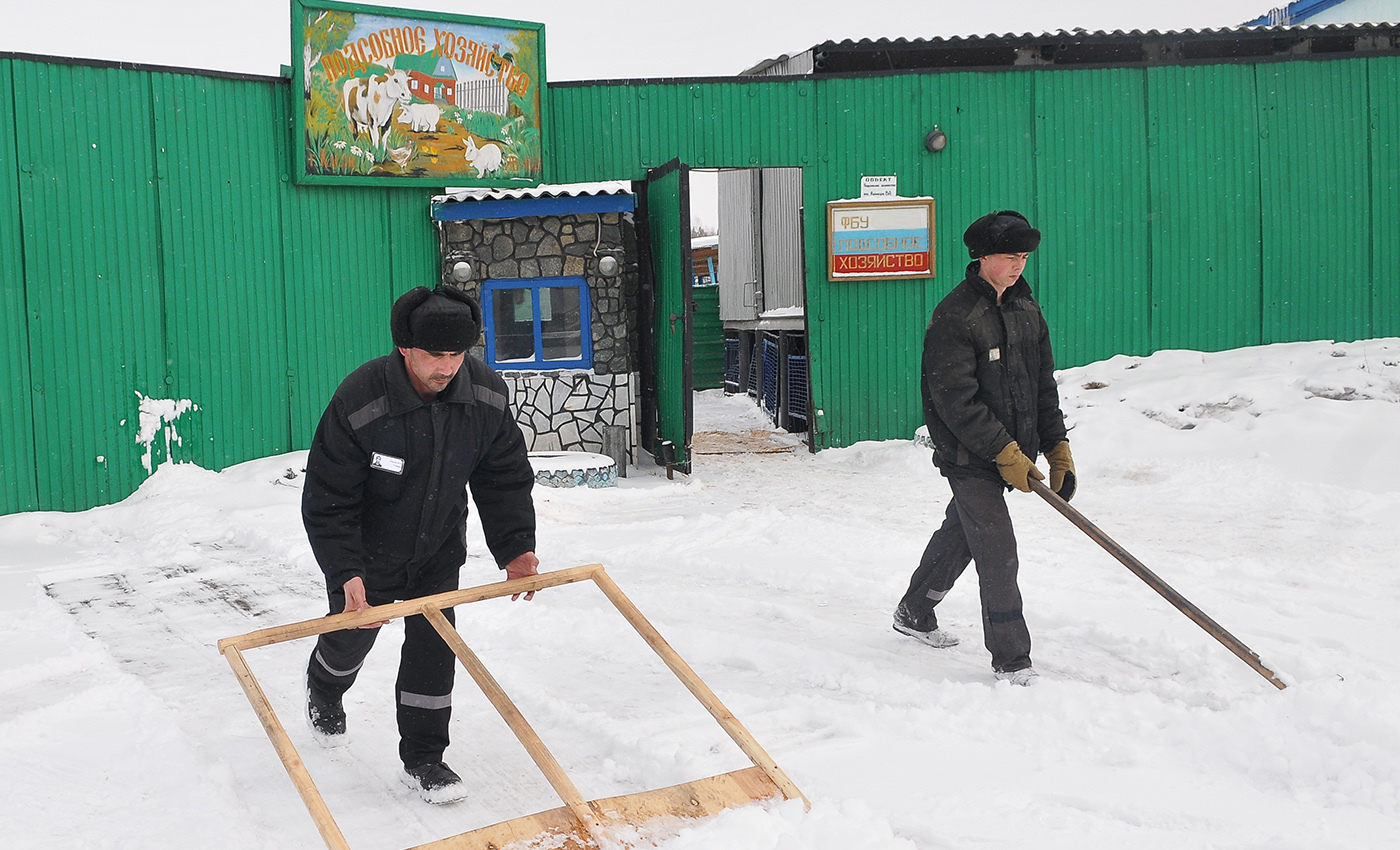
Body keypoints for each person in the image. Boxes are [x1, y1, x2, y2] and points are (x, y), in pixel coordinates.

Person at [301, 284, 539, 803]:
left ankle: (424, 758)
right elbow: (328, 497)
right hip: (367, 553)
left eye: (458, 353)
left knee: (435, 649)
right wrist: (346, 574)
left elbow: (503, 477)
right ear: (405, 347)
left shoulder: (484, 395)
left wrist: (516, 546)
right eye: (435, 354)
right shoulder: (361, 400)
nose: (447, 367)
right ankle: (325, 683)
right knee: (353, 636)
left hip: (437, 550)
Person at [893, 210, 1075, 686]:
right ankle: (1012, 660)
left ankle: (914, 610)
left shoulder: (1026, 309)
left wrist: (1057, 447)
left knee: (962, 534)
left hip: (1012, 453)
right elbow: (956, 401)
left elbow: (1042, 386)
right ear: (982, 257)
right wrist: (1004, 451)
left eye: (1024, 257)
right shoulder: (956, 316)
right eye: (1010, 256)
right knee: (998, 549)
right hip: (969, 456)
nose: (1019, 265)